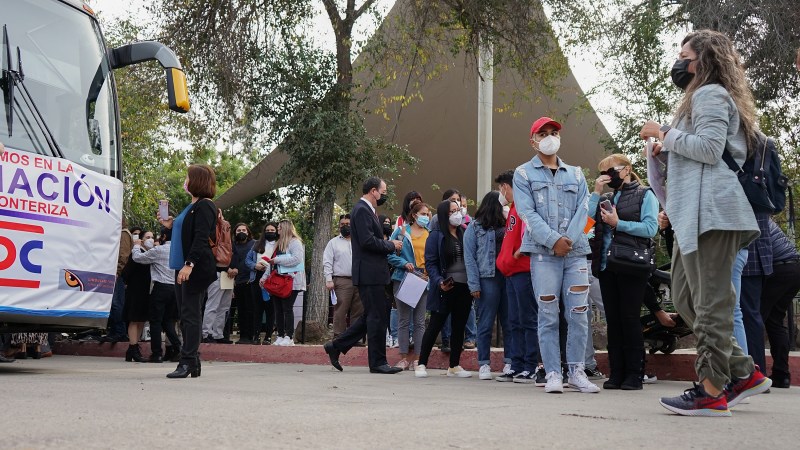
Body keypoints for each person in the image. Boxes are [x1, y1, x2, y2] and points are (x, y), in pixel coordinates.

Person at [640, 30, 770, 416]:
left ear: (704, 60)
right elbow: (697, 151)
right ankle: (743, 372)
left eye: (685, 55)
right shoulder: (698, 98)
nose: (679, 62)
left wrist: (664, 132)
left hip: (713, 213)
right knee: (684, 298)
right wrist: (666, 149)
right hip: (691, 216)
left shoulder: (711, 94)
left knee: (711, 303)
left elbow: (712, 150)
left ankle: (712, 390)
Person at [513, 116, 600, 394]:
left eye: (554, 132)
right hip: (543, 255)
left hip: (575, 253)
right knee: (548, 313)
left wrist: (567, 241)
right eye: (543, 133)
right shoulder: (523, 174)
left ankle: (576, 371)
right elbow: (527, 213)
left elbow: (584, 210)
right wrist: (553, 241)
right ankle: (552, 372)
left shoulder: (576, 174)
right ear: (533, 141)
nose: (550, 137)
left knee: (579, 312)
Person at [589, 154, 659, 390]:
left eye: (611, 171)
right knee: (613, 320)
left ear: (627, 169)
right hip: (607, 265)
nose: (608, 177)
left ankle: (635, 373)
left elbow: (650, 228)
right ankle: (616, 372)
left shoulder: (645, 194)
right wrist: (596, 192)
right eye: (603, 173)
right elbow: (587, 224)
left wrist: (618, 223)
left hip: (631, 264)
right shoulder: (607, 198)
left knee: (629, 318)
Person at [324, 177, 404, 374]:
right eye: (383, 191)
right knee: (377, 317)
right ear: (373, 191)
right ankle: (377, 362)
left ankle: (336, 346)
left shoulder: (367, 210)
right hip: (370, 273)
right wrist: (390, 245)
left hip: (373, 272)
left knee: (372, 315)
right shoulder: (361, 210)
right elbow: (367, 241)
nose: (384, 195)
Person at [159, 164, 218, 379]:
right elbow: (186, 232)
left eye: (188, 177)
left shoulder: (205, 205)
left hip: (193, 268)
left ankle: (186, 361)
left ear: (197, 180)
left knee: (190, 316)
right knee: (185, 316)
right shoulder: (192, 206)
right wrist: (171, 225)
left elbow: (201, 238)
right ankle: (193, 361)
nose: (185, 181)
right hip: (181, 267)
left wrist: (189, 264)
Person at [414, 200, 474, 378]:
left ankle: (454, 365)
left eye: (458, 210)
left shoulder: (464, 232)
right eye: (452, 211)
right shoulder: (436, 235)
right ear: (443, 215)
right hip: (446, 287)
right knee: (435, 325)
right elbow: (431, 263)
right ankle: (421, 363)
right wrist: (439, 281)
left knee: (459, 326)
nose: (457, 214)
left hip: (464, 286)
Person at [495, 170, 542, 384]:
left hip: (523, 270)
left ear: (506, 187)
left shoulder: (525, 207)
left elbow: (532, 231)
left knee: (527, 319)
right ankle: (516, 364)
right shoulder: (514, 208)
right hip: (511, 272)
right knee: (514, 321)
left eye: (501, 188)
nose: (500, 193)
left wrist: (519, 252)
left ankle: (530, 366)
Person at [464, 191, 514, 380]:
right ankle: (484, 364)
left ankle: (510, 362)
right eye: (502, 204)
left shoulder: (507, 223)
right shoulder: (474, 227)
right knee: (485, 323)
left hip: (507, 276)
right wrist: (474, 285)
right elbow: (469, 258)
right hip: (487, 278)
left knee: (509, 322)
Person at [387, 201, 430, 370]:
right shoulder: (402, 231)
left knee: (420, 322)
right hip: (403, 278)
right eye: (423, 214)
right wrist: (404, 263)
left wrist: (429, 272)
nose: (426, 217)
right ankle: (403, 357)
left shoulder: (429, 233)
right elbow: (389, 254)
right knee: (403, 320)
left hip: (422, 279)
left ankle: (419, 358)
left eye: (427, 214)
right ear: (414, 215)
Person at [131, 228, 182, 362]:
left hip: (160, 288)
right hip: (174, 289)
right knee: (168, 321)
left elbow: (137, 258)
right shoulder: (179, 251)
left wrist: (136, 246)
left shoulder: (159, 250)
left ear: (164, 236)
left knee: (155, 321)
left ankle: (157, 353)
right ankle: (178, 348)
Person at [760, 220, 800, 388]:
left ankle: (755, 376)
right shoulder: (764, 216)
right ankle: (781, 375)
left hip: (779, 269)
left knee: (755, 320)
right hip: (793, 268)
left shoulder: (754, 217)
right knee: (774, 321)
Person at [262, 219, 306, 346]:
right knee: (278, 309)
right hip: (278, 281)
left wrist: (277, 260)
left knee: (287, 308)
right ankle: (280, 335)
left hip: (291, 281)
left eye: (279, 228)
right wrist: (264, 277)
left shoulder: (295, 242)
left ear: (286, 228)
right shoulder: (278, 243)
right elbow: (271, 262)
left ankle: (289, 336)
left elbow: (297, 259)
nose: (277, 230)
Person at [324, 215, 363, 339]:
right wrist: (328, 279)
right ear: (339, 225)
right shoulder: (333, 242)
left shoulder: (360, 241)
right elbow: (327, 262)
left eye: (348, 224)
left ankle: (354, 338)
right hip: (341, 280)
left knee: (358, 311)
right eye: (342, 224)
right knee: (340, 310)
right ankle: (339, 337)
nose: (345, 226)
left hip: (360, 280)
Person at [122, 228, 152, 362]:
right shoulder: (136, 253)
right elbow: (126, 272)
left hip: (146, 291)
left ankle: (133, 349)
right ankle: (133, 348)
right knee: (134, 319)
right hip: (135, 290)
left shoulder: (150, 254)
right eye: (147, 237)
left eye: (152, 237)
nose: (150, 240)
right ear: (141, 239)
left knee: (141, 320)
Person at [245, 223, 278, 344]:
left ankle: (268, 336)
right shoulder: (257, 244)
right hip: (256, 278)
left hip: (272, 279)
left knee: (270, 309)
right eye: (267, 230)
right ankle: (256, 335)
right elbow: (247, 260)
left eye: (272, 230)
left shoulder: (279, 244)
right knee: (257, 309)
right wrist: (255, 266)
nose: (270, 232)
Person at [202, 227, 235, 344]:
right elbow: (211, 259)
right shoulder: (211, 238)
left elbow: (234, 258)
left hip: (229, 277)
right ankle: (206, 333)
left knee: (224, 307)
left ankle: (218, 334)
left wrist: (235, 269)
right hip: (216, 275)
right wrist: (226, 268)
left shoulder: (229, 242)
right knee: (213, 305)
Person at [103, 220, 133, 343]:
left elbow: (123, 255)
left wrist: (117, 271)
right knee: (113, 303)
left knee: (116, 303)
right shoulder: (118, 233)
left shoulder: (124, 233)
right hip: (113, 273)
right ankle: (114, 331)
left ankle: (120, 332)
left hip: (117, 274)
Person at [227, 223, 255, 344]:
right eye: (239, 230)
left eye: (244, 230)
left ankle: (252, 336)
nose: (241, 232)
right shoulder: (231, 246)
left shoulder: (254, 244)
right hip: (236, 282)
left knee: (251, 310)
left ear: (248, 232)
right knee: (241, 310)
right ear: (235, 233)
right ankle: (243, 336)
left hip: (251, 281)